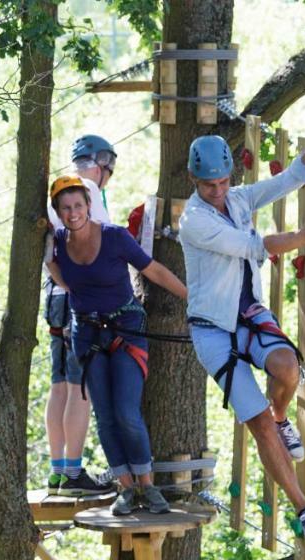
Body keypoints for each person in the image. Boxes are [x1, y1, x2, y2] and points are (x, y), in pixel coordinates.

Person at [177, 132, 305, 543]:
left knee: (289, 369)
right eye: (207, 186)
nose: (217, 192)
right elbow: (258, 246)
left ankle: (282, 413)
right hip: (213, 331)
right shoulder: (195, 220)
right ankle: (304, 509)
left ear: (229, 175)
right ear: (193, 180)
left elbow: (288, 179)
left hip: (249, 314)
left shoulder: (238, 198)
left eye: (221, 183)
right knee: (258, 424)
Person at [49, 175, 188, 515]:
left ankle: (147, 484)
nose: (73, 213)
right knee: (106, 417)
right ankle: (125, 488)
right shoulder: (57, 244)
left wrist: (190, 297)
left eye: (78, 205)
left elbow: (151, 269)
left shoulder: (113, 237)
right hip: (87, 332)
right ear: (58, 212)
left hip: (125, 328)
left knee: (126, 411)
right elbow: (58, 274)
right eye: (65, 208)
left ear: (88, 205)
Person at [42, 134, 120, 496]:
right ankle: (74, 473)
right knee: (80, 387)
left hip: (54, 294)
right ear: (102, 162)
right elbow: (101, 243)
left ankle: (58, 470)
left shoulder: (56, 195)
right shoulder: (86, 190)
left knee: (59, 386)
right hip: (79, 300)